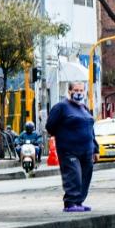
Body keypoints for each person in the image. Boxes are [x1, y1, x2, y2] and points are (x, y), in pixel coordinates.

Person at [46, 82, 97, 212]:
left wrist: (95, 149)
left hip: (87, 151)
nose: (78, 92)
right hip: (69, 150)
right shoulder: (61, 107)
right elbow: (50, 126)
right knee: (74, 175)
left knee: (86, 176)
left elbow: (91, 130)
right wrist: (65, 135)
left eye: (81, 90)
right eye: (75, 90)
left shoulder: (84, 108)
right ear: (69, 92)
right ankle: (70, 203)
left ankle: (79, 202)